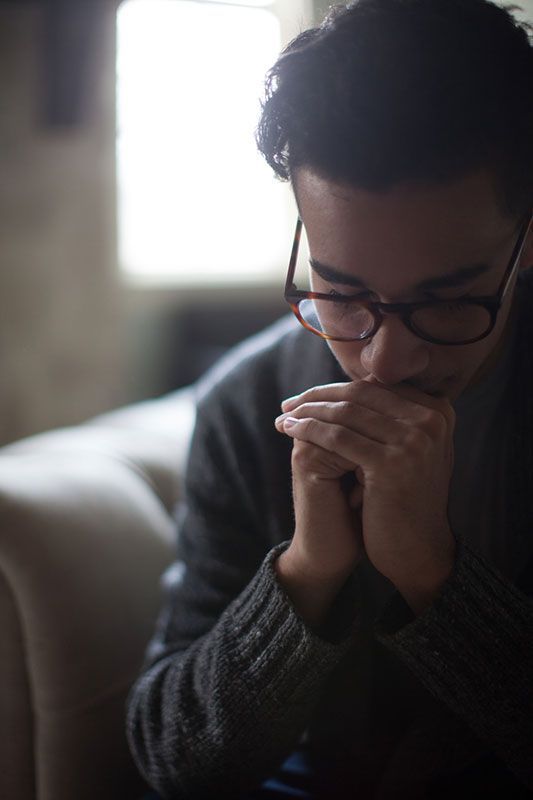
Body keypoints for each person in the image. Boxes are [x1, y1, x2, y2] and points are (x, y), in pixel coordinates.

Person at [126, 1, 533, 797]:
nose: (383, 358)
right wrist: (306, 571)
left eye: (447, 301)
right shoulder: (247, 407)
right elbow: (174, 763)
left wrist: (429, 572)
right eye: (340, 292)